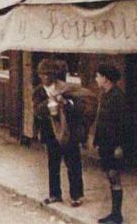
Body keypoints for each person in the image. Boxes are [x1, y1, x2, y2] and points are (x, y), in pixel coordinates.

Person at [33, 59, 95, 208]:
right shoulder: (39, 91)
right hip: (50, 133)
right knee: (53, 165)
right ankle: (55, 195)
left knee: (73, 164)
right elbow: (36, 111)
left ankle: (76, 196)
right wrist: (48, 103)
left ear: (54, 75)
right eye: (42, 75)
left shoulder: (67, 89)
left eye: (48, 74)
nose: (45, 77)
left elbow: (79, 108)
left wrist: (66, 104)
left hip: (69, 132)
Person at [94, 63, 128, 224]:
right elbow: (101, 121)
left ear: (105, 78)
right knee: (110, 176)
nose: (96, 79)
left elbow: (122, 124)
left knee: (115, 177)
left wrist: (119, 146)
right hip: (105, 144)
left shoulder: (118, 97)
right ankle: (114, 213)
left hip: (114, 145)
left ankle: (117, 215)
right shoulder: (106, 95)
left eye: (98, 76)